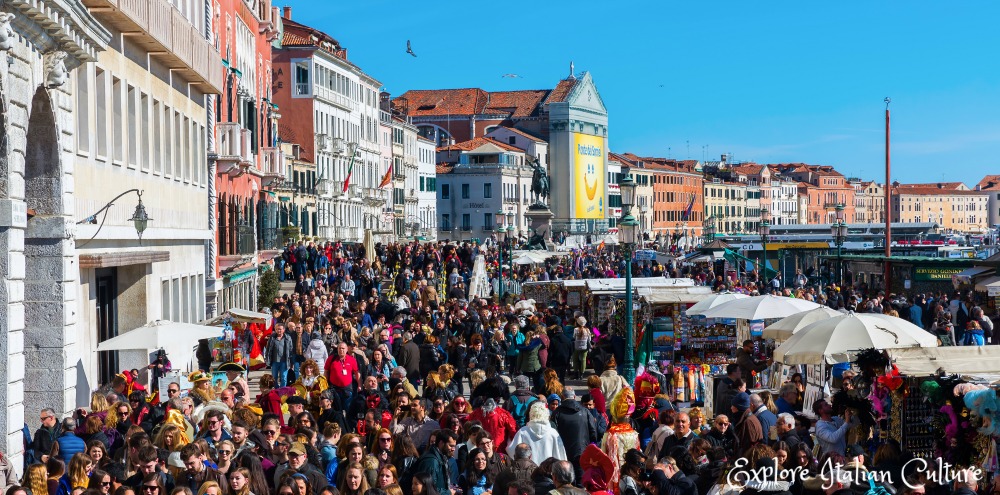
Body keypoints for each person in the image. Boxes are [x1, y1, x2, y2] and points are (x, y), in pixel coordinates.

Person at [410, 430, 456, 495]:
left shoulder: (441, 458)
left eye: (454, 446)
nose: (453, 449)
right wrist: (448, 492)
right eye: (451, 446)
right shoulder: (431, 462)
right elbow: (429, 488)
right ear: (441, 443)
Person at [731, 392, 763, 457]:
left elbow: (749, 445)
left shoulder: (748, 422)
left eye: (733, 406)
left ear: (738, 408)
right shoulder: (747, 418)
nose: (731, 408)